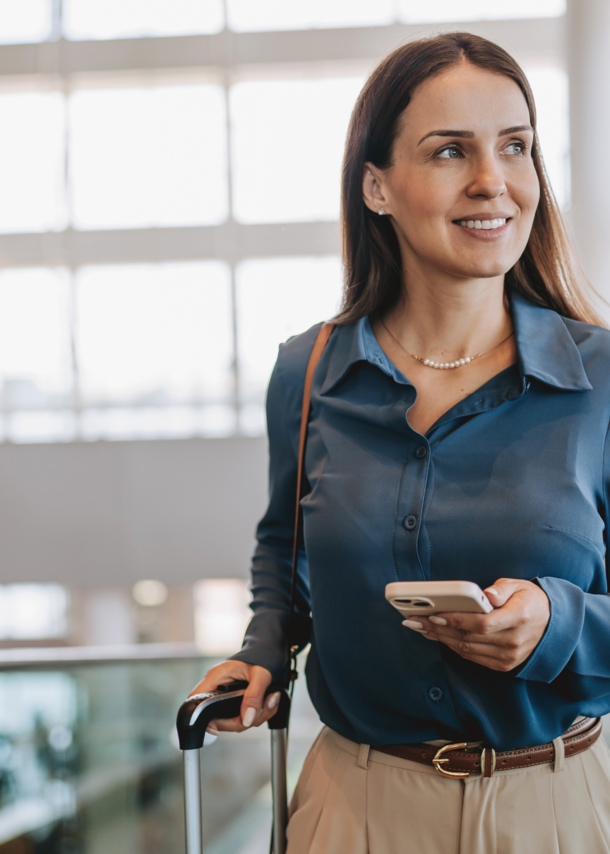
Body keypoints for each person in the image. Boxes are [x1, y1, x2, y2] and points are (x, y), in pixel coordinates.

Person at [192, 32, 610, 852]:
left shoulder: (601, 382)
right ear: (376, 186)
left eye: (515, 147)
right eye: (451, 150)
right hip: (354, 811)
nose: (494, 181)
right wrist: (263, 651)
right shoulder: (308, 372)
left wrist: (556, 623)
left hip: (553, 812)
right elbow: (287, 549)